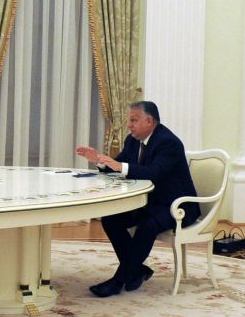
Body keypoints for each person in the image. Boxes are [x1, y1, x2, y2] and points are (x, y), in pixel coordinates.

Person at [75, 100, 198, 298]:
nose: (129, 125)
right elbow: (119, 164)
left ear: (149, 121)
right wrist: (100, 160)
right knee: (111, 219)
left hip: (175, 204)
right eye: (129, 120)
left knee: (147, 225)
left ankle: (118, 280)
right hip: (149, 202)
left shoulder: (169, 142)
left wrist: (119, 166)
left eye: (133, 120)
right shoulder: (132, 140)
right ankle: (137, 270)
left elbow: (153, 173)